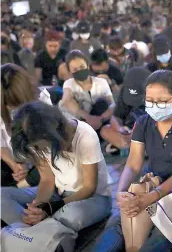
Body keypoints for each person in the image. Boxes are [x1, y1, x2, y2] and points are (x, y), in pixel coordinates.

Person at [93, 70, 172, 252]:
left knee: (161, 230)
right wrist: (121, 192)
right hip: (154, 186)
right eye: (150, 101)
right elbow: (133, 164)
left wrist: (149, 198)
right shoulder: (143, 123)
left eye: (162, 101)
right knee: (119, 221)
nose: (155, 106)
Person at [1, 101, 113, 238]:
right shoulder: (35, 139)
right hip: (58, 193)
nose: (38, 151)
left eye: (37, 147)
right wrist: (38, 207)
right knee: (2, 197)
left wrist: (51, 207)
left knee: (72, 214)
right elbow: (47, 180)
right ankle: (36, 233)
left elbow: (89, 187)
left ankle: (32, 234)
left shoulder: (85, 135)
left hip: (94, 197)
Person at [1, 64, 52, 188]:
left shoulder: (42, 99)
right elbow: (1, 145)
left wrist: (29, 164)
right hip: (12, 160)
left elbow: (47, 146)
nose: (12, 108)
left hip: (39, 159)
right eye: (7, 103)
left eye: (16, 103)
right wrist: (16, 166)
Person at [60, 50, 115, 132]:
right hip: (80, 125)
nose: (79, 70)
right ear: (70, 72)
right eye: (75, 69)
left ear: (88, 66)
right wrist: (88, 118)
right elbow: (66, 100)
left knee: (102, 103)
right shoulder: (69, 83)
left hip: (102, 122)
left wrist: (100, 119)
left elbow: (112, 104)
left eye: (82, 67)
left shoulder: (101, 82)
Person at [100, 67, 150, 154]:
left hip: (150, 133)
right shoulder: (124, 90)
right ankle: (133, 148)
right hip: (129, 131)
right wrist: (120, 129)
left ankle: (130, 148)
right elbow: (116, 117)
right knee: (105, 130)